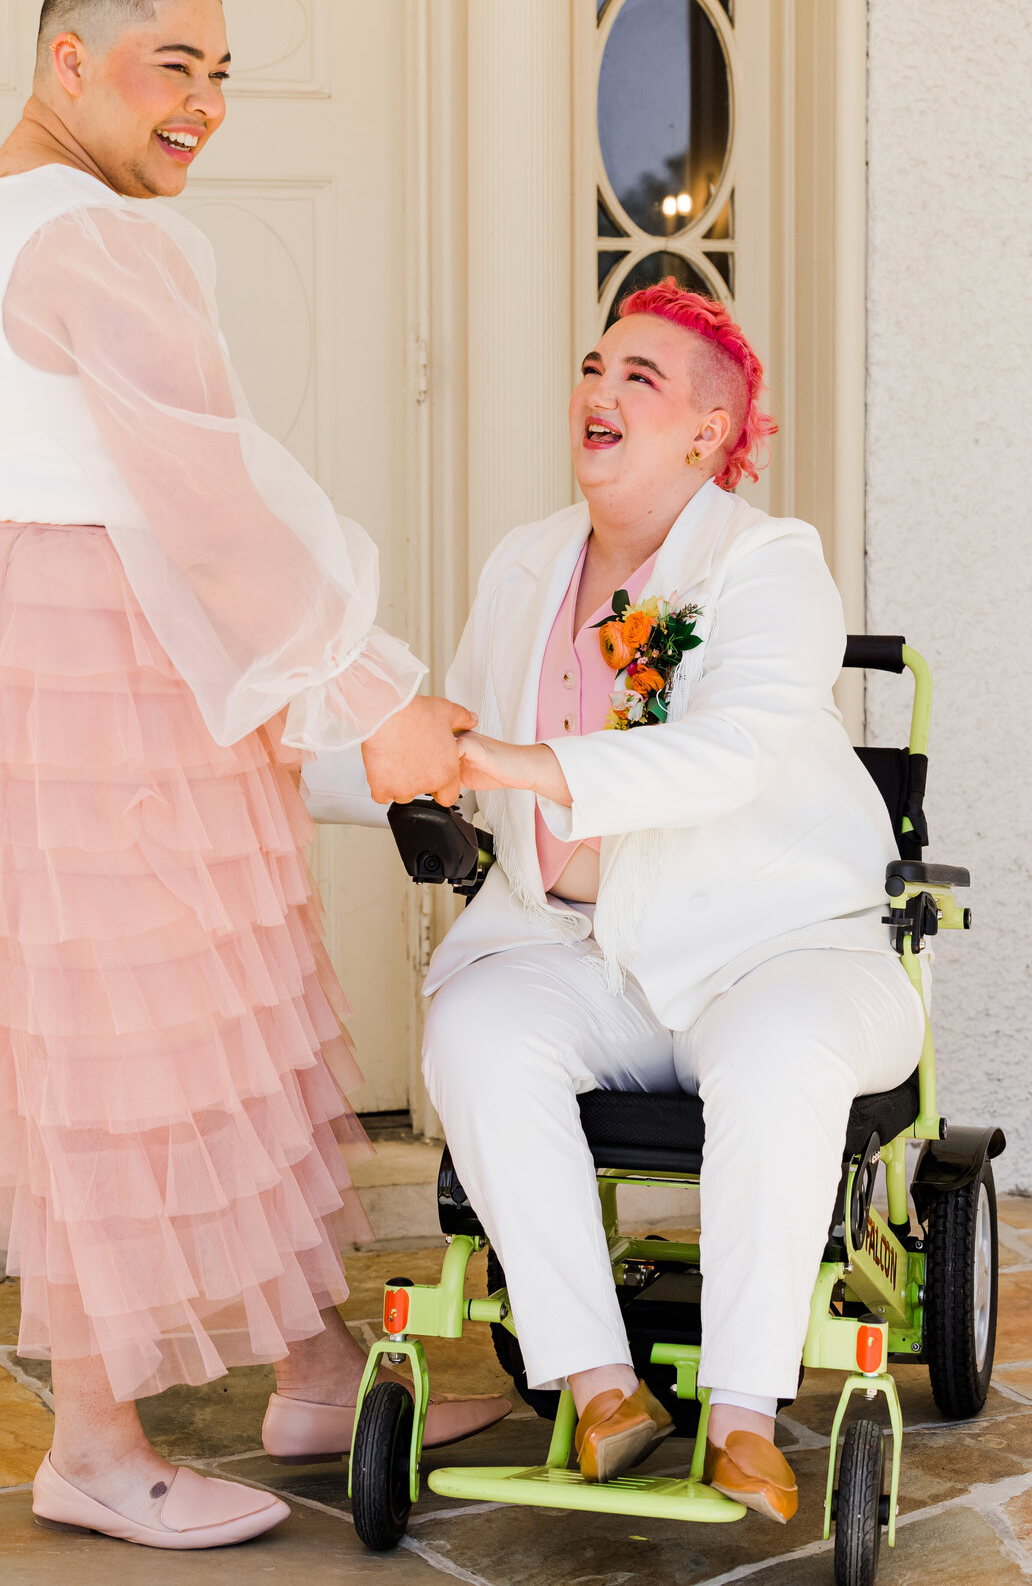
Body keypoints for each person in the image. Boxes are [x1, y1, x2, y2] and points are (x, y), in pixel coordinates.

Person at [0, 0, 506, 1552]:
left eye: (226, 71)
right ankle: (94, 1445)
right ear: (67, 62)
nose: (210, 105)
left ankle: (314, 1362)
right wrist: (375, 695)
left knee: (219, 1004)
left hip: (57, 639)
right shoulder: (89, 240)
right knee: (122, 1037)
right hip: (107, 641)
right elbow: (211, 502)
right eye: (178, 66)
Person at [421, 281, 925, 1523]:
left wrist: (522, 765)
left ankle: (747, 1414)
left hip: (781, 947)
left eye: (638, 379)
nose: (598, 392)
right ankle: (602, 1390)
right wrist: (298, 752)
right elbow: (449, 735)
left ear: (708, 432)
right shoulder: (525, 561)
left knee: (777, 1054)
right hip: (582, 944)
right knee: (474, 1034)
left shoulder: (766, 562)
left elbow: (733, 751)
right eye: (595, 368)